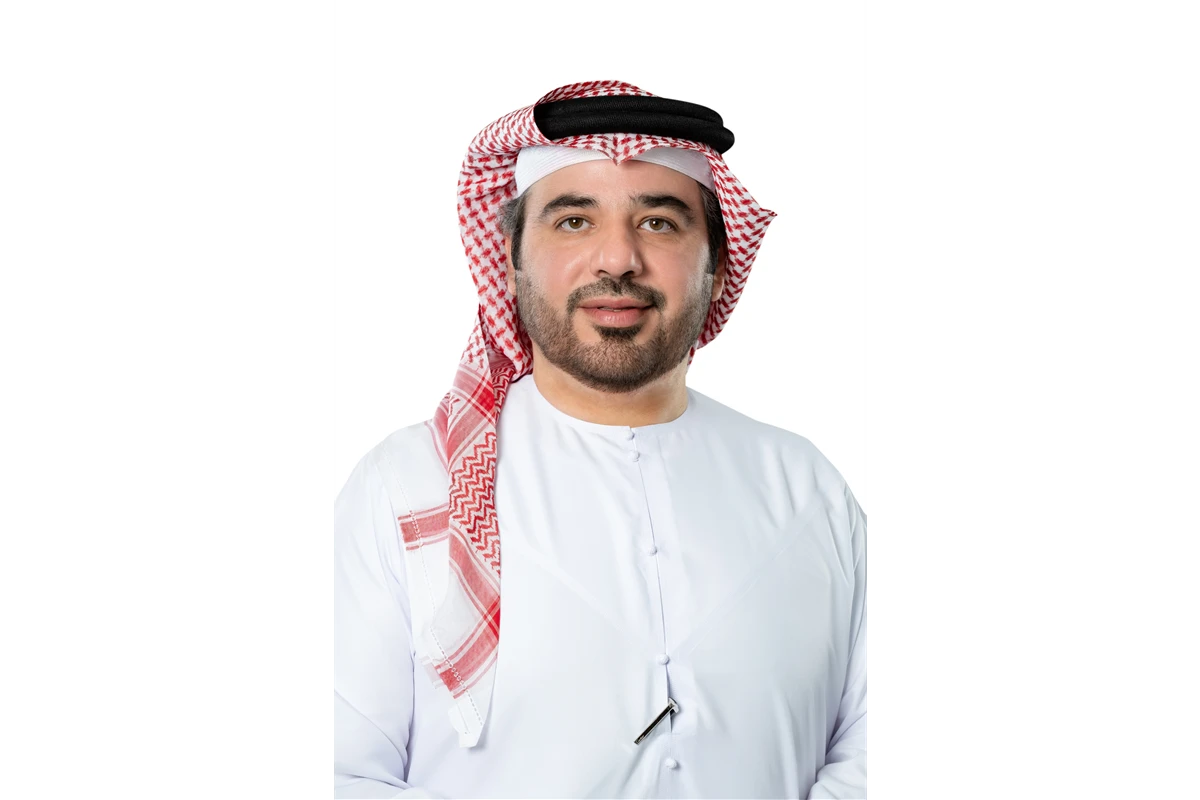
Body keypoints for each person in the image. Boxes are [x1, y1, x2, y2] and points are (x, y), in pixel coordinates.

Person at [330, 79, 870, 799]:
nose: (617, 259)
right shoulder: (406, 487)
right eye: (574, 221)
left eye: (659, 222)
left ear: (716, 264)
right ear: (512, 261)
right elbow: (343, 773)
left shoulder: (806, 489)